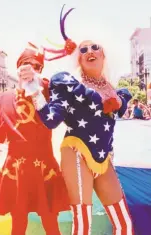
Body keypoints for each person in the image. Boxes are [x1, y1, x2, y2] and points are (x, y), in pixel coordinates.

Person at [21, 5, 135, 235]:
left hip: (103, 158)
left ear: (104, 54)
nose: (89, 50)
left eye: (95, 47)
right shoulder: (70, 84)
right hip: (76, 152)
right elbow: (51, 120)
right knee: (83, 224)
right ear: (78, 57)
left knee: (124, 223)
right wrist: (33, 88)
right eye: (83, 49)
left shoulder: (113, 89)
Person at [0, 42, 69, 235]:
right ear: (18, 69)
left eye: (37, 67)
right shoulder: (5, 98)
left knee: (50, 221)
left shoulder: (48, 92)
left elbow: (66, 94)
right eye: (26, 65)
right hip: (17, 170)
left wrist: (37, 82)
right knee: (18, 224)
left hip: (44, 167)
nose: (31, 69)